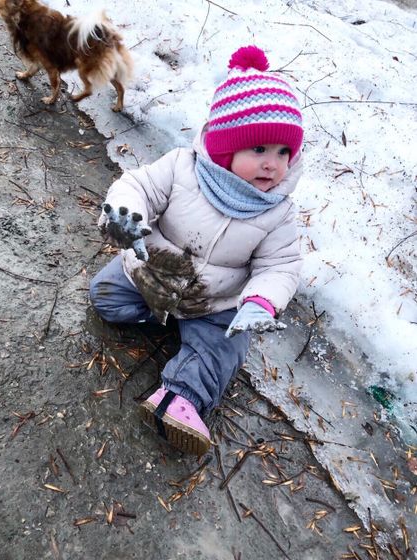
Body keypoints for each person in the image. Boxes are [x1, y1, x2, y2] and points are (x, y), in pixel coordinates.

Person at [89, 45, 304, 456]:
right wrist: (125, 215)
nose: (272, 165)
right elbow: (137, 186)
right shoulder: (180, 167)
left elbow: (281, 265)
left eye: (282, 153)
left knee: (225, 347)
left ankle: (181, 398)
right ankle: (173, 324)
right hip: (152, 276)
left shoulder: (277, 213)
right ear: (225, 147)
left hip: (214, 302)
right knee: (106, 298)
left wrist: (262, 300)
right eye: (259, 150)